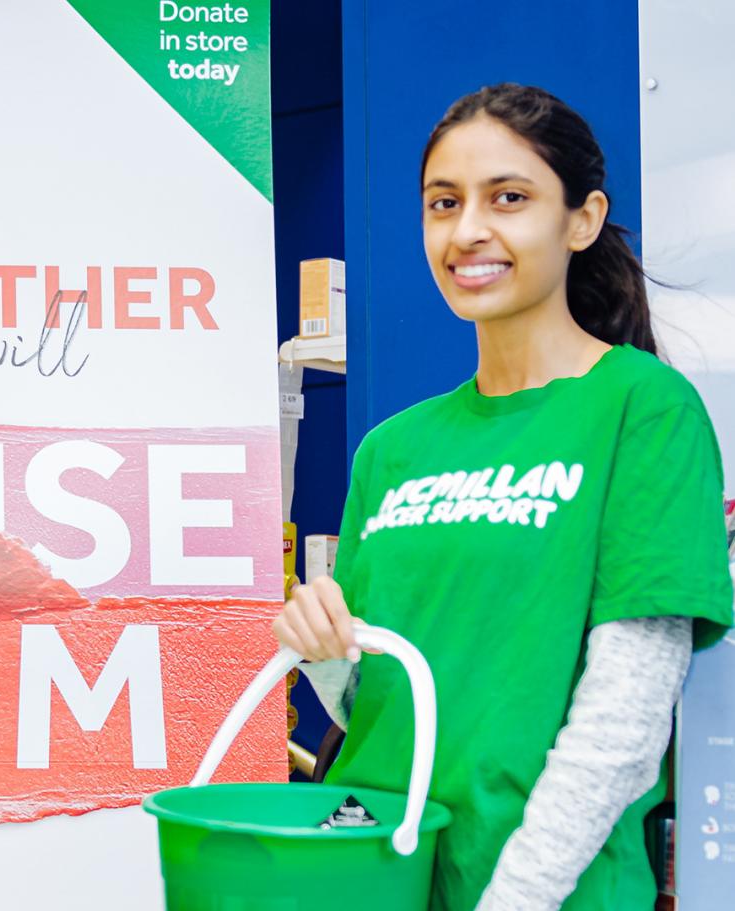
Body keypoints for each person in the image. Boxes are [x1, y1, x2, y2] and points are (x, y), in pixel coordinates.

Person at [276, 83, 733, 910]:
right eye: (443, 203)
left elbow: (625, 717)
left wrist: (513, 900)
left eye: (509, 198)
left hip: (543, 892)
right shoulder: (393, 449)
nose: (468, 231)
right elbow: (382, 691)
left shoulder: (643, 408)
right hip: (371, 873)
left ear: (582, 220)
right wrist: (325, 655)